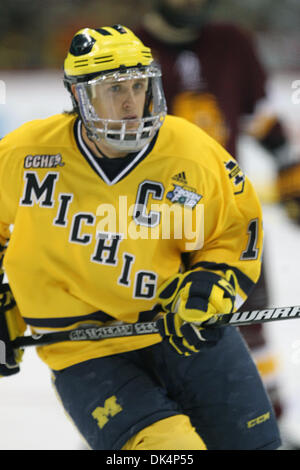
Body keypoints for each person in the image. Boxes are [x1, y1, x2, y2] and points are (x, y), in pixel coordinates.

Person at [0, 24, 281, 451]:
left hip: (183, 332)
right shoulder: (27, 154)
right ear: (79, 97)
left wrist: (208, 289)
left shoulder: (190, 150)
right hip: (87, 351)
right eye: (114, 90)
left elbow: (235, 231)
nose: (132, 103)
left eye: (139, 86)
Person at [135, 0, 293, 419]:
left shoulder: (232, 42)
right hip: (152, 225)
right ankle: (140, 428)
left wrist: (290, 169)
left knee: (249, 326)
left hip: (229, 219)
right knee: (154, 335)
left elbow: (259, 116)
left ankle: (264, 425)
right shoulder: (128, 47)